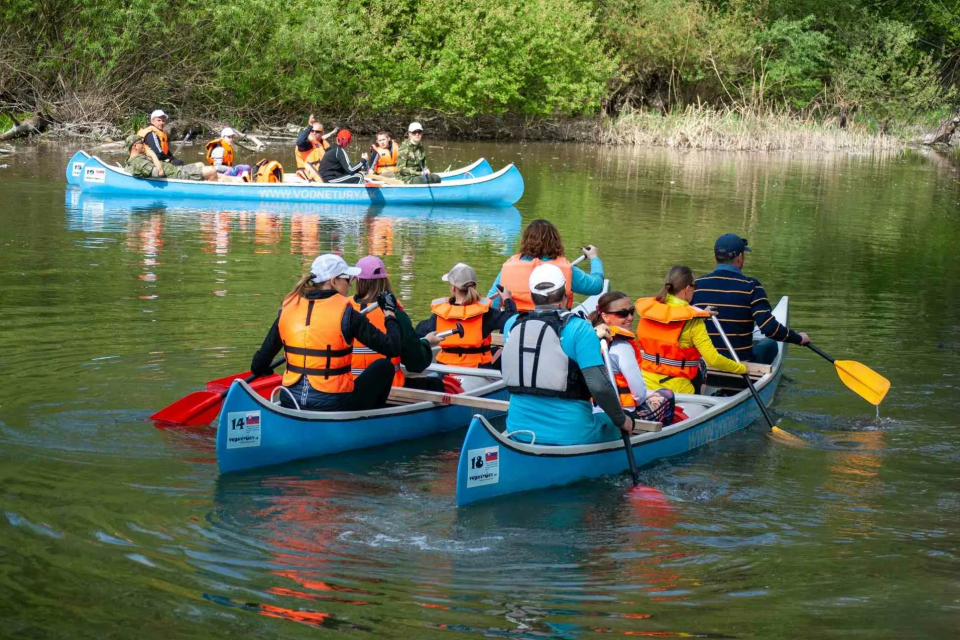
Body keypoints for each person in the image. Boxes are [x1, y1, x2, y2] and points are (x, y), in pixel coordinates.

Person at [500, 263, 636, 445]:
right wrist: (623, 420)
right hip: (573, 434)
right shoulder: (580, 328)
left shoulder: (511, 325)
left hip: (518, 430)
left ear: (533, 297)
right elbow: (600, 387)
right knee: (622, 420)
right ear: (565, 296)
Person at [250, 254, 401, 411]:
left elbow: (258, 365)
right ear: (334, 281)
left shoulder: (288, 308)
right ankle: (370, 420)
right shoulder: (348, 313)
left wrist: (264, 369)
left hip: (289, 399)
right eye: (348, 279)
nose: (350, 285)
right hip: (335, 404)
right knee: (384, 366)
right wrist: (389, 313)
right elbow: (392, 348)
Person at [691, 233, 809, 364]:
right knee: (770, 344)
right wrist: (798, 338)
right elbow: (769, 329)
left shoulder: (696, 285)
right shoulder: (751, 286)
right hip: (740, 367)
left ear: (715, 257)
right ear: (740, 257)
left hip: (701, 364)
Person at [636, 266, 746, 395]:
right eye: (695, 286)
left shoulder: (650, 313)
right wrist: (741, 368)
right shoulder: (694, 323)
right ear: (687, 289)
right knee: (702, 364)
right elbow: (714, 360)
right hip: (678, 390)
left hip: (645, 384)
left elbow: (673, 316)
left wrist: (701, 313)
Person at [350, 255, 444, 391]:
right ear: (384, 281)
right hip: (388, 389)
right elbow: (416, 364)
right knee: (436, 384)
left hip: (349, 388)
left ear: (357, 281)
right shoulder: (396, 314)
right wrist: (426, 343)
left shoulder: (345, 310)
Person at [589, 291, 676, 425]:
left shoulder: (589, 340)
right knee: (667, 394)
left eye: (631, 311)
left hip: (595, 409)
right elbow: (639, 395)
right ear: (605, 317)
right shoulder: (622, 347)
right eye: (622, 314)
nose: (630, 317)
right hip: (623, 412)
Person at [415, 263, 518, 369]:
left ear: (453, 288)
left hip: (445, 371)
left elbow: (416, 332)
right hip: (478, 371)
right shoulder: (486, 314)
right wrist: (507, 299)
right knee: (498, 352)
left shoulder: (439, 315)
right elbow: (513, 321)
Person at [487, 219, 604, 311]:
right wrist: (594, 258)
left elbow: (492, 305)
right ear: (555, 242)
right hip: (555, 329)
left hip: (515, 329)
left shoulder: (508, 269)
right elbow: (597, 286)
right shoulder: (565, 270)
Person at [124, 135, 216, 181]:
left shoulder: (139, 158)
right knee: (211, 171)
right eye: (142, 143)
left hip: (177, 170)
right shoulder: (137, 161)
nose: (144, 145)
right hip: (176, 175)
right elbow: (159, 173)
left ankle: (229, 180)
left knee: (200, 164)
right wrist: (152, 154)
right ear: (135, 146)